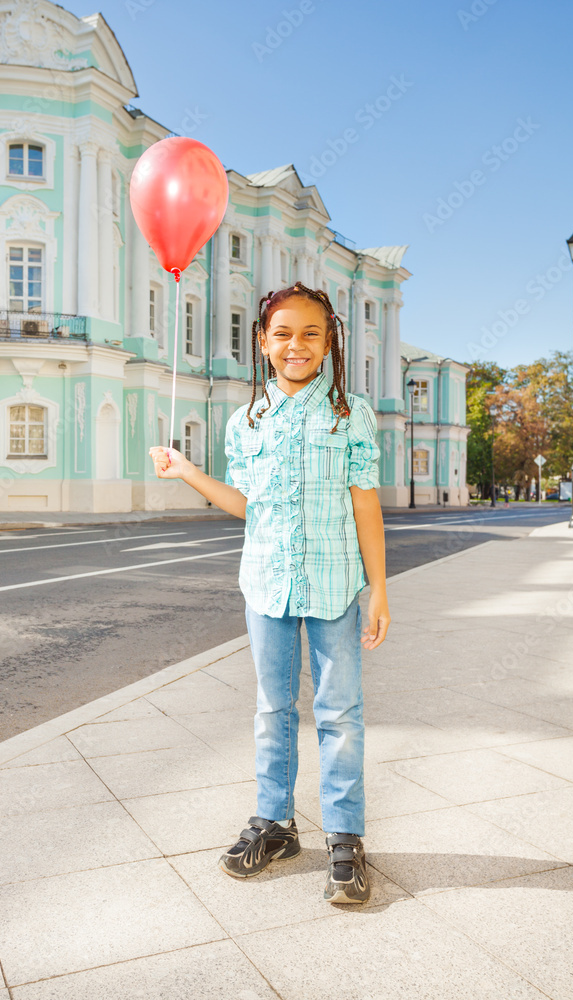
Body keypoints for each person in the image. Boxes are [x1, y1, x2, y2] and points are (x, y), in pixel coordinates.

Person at [149, 282, 390, 905]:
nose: (296, 345)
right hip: (265, 585)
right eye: (282, 333)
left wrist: (380, 589)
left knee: (339, 713)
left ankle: (344, 836)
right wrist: (188, 472)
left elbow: (366, 505)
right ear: (262, 343)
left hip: (335, 584)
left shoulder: (350, 414)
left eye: (311, 333)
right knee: (271, 710)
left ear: (329, 341)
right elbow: (247, 506)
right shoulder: (246, 419)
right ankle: (276, 825)